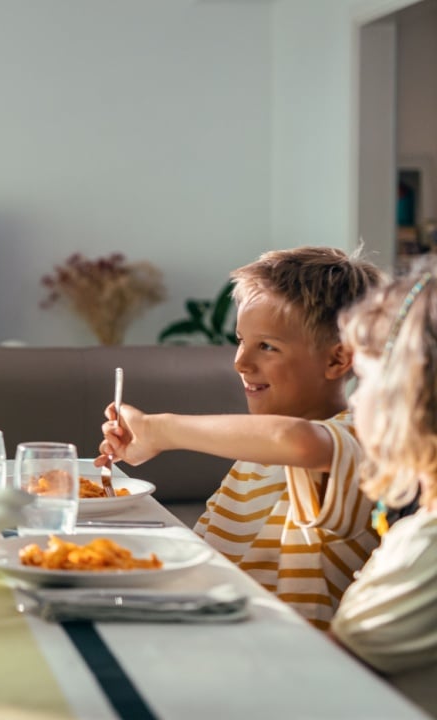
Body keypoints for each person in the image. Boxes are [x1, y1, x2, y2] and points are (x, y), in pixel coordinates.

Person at [99, 247, 384, 628]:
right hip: (216, 631)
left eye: (267, 346)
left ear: (337, 359)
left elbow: (298, 441)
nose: (240, 362)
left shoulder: (362, 439)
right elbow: (211, 555)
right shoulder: (254, 450)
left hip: (294, 658)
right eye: (241, 340)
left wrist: (157, 430)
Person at [330, 265, 437, 714]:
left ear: (407, 395)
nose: (353, 399)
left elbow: (321, 679)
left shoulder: (424, 550)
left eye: (365, 378)